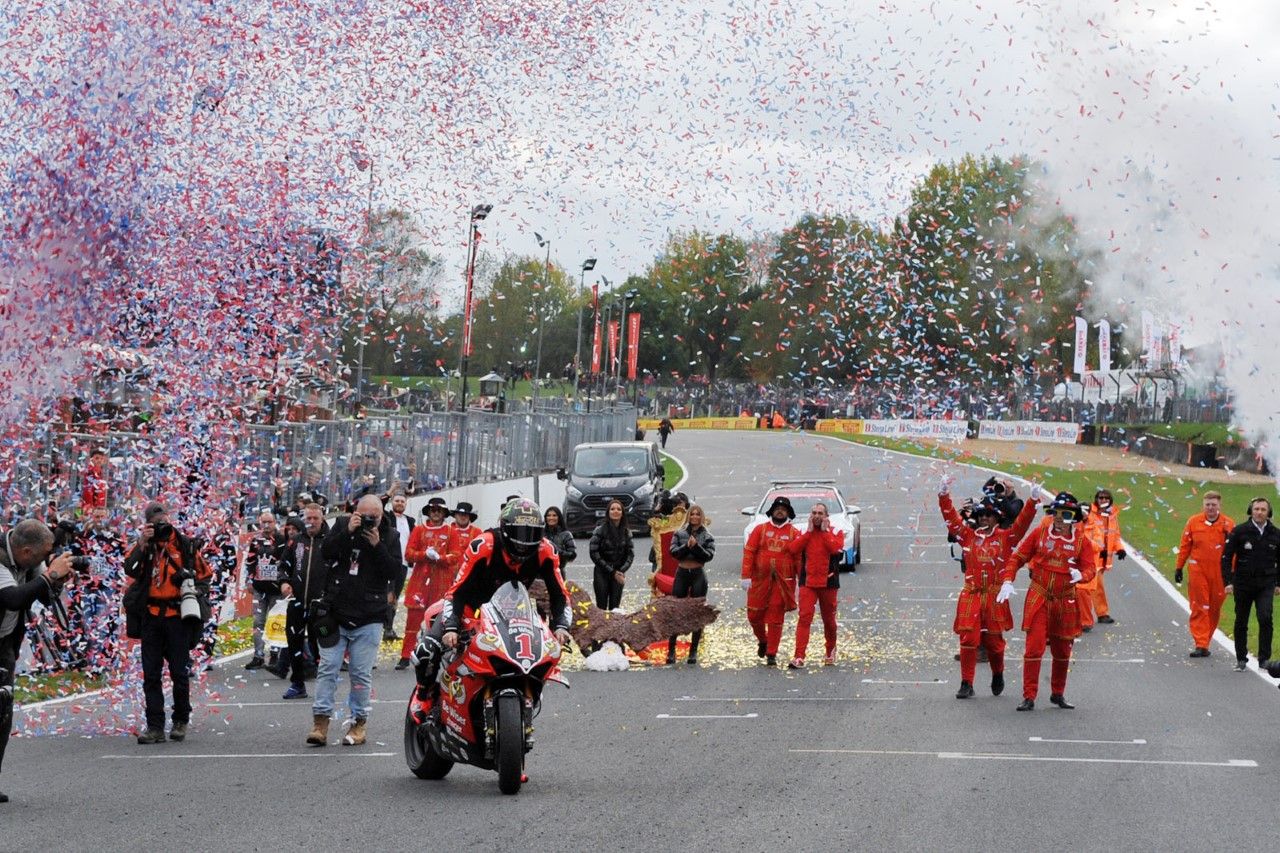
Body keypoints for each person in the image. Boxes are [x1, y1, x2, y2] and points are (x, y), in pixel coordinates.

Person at [414, 499, 572, 687]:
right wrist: (451, 627)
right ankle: (423, 698)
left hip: (512, 613)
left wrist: (561, 626)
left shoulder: (546, 550)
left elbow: (560, 594)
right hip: (469, 609)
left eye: (532, 533)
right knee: (427, 651)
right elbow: (457, 591)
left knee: (535, 658)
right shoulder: (484, 544)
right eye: (519, 532)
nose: (524, 541)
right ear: (505, 529)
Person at [307, 494, 401, 747]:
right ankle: (320, 722)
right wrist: (348, 532)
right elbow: (325, 553)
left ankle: (359, 723)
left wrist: (377, 546)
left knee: (360, 674)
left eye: (375, 516)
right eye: (364, 516)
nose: (369, 521)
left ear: (382, 515)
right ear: (354, 512)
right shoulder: (341, 526)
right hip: (336, 611)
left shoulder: (390, 535)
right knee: (327, 668)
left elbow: (394, 571)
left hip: (370, 615)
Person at [122, 501, 213, 744]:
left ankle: (181, 720)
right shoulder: (145, 545)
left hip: (177, 618)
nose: (159, 525)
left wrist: (191, 586)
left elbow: (206, 576)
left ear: (168, 518)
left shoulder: (184, 545)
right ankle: (154, 726)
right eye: (154, 521)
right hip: (151, 616)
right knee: (151, 675)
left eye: (162, 519)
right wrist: (142, 543)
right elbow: (129, 570)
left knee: (179, 673)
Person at [938, 480, 1039, 697]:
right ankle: (966, 683)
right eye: (981, 514)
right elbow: (951, 520)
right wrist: (943, 495)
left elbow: (1022, 524)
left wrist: (1032, 501)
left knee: (994, 642)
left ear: (997, 519)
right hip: (972, 593)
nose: (984, 517)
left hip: (994, 595)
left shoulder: (1006, 537)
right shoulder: (967, 535)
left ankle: (998, 673)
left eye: (989, 515)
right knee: (968, 639)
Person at [0, 519, 75, 804]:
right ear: (27, 550)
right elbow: (13, 598)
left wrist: (55, 579)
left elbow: (44, 597)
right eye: (43, 556)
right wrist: (46, 577)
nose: (46, 560)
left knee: (2, 713)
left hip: (4, 642)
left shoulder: (29, 559)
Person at [1000, 491, 1097, 711]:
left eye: (1066, 514)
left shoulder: (1082, 541)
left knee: (1063, 650)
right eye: (1056, 514)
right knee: (1034, 648)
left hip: (1065, 600)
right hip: (1040, 596)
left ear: (1074, 516)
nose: (1060, 519)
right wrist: (1007, 580)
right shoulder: (1040, 533)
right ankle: (1029, 695)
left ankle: (1058, 693)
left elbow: (1090, 567)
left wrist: (1082, 575)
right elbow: (1017, 557)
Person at [741, 496, 802, 666]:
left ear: (788, 512)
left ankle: (771, 653)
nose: (780, 511)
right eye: (777, 508)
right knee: (754, 615)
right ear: (772, 511)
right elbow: (749, 552)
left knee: (776, 618)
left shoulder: (794, 533)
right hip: (759, 581)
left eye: (784, 509)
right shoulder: (760, 530)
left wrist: (801, 581)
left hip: (782, 583)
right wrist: (745, 576)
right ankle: (763, 640)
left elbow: (799, 559)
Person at [1220, 497, 1280, 671]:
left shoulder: (1276, 534)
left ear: (1269, 512)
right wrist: (1228, 581)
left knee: (1265, 617)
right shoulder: (1239, 531)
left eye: (1263, 509)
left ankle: (1264, 659)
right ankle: (1241, 658)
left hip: (1266, 583)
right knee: (1241, 620)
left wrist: (1278, 583)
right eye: (1256, 509)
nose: (1259, 512)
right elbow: (1226, 557)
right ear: (1251, 511)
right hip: (1243, 583)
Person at [397, 497, 456, 670]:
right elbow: (408, 554)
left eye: (439, 510)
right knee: (413, 620)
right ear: (428, 512)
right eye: (433, 510)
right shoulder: (419, 529)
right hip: (420, 583)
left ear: (444, 513)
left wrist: (441, 558)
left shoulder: (451, 531)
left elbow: (456, 556)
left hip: (442, 581)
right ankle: (405, 655)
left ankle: (436, 654)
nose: (436, 513)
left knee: (439, 620)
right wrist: (424, 555)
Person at [786, 502, 846, 669]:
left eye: (820, 513)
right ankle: (799, 656)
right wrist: (809, 533)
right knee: (804, 618)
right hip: (808, 582)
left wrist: (825, 532)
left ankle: (830, 650)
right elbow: (793, 549)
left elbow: (835, 549)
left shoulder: (835, 531)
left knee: (829, 620)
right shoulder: (804, 532)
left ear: (826, 516)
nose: (817, 516)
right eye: (814, 513)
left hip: (829, 582)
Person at [1175, 491, 1233, 657]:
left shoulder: (1228, 524)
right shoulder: (1194, 522)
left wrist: (1233, 574)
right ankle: (1200, 643)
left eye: (1213, 505)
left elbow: (1234, 552)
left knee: (1214, 607)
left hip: (1220, 572)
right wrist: (1179, 567)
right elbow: (1185, 545)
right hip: (1198, 569)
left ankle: (1205, 640)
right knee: (1200, 606)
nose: (1210, 508)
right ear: (1203, 505)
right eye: (1207, 504)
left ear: (1219, 506)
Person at [279, 503, 328, 699]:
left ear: (322, 518)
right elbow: (283, 566)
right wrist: (283, 582)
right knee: (294, 643)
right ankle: (297, 683)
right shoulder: (295, 541)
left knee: (322, 645)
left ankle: (324, 686)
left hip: (322, 606)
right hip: (296, 603)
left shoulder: (331, 540)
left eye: (315, 518)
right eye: (308, 518)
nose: (312, 522)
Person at [665, 504, 715, 665]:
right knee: (676, 610)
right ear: (688, 516)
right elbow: (673, 553)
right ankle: (671, 650)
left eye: (697, 514)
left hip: (698, 574)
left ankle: (693, 651)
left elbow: (708, 556)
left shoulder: (707, 535)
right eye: (692, 514)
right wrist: (687, 546)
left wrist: (696, 547)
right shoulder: (679, 534)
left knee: (697, 612)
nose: (694, 517)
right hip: (682, 573)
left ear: (701, 517)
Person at [244, 510, 286, 670]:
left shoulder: (282, 540)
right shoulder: (256, 541)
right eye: (264, 522)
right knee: (258, 622)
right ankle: (258, 655)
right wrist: (249, 580)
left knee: (275, 622)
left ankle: (274, 654)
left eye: (270, 522)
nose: (267, 526)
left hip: (276, 589)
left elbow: (286, 562)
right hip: (259, 588)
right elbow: (250, 562)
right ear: (260, 523)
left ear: (275, 523)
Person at [1079, 489, 1125, 629]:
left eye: (1106, 498)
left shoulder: (1112, 516)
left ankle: (1094, 615)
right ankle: (1099, 614)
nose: (1103, 500)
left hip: (1104, 557)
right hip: (1093, 557)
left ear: (1110, 500)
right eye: (1100, 497)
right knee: (1094, 586)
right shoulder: (1090, 513)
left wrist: (1120, 549)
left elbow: (1115, 535)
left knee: (1093, 587)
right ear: (1096, 499)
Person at [588, 499, 634, 611]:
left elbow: (630, 554)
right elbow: (594, 553)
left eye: (618, 509)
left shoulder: (626, 532)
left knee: (615, 608)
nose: (615, 511)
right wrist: (611, 571)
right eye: (612, 509)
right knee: (601, 607)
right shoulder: (600, 530)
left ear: (622, 513)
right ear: (608, 512)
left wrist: (621, 571)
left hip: (618, 573)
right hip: (602, 573)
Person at [384, 493, 414, 642]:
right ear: (392, 502)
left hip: (403, 564)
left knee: (395, 596)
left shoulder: (410, 521)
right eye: (397, 501)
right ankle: (385, 627)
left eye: (402, 501)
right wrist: (389, 491)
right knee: (387, 596)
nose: (400, 503)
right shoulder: (387, 518)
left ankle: (389, 627)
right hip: (389, 562)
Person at [543, 506, 576, 578]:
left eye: (554, 515)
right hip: (540, 574)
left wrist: (557, 551)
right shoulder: (540, 533)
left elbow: (572, 555)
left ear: (559, 517)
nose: (551, 518)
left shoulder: (566, 534)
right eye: (548, 515)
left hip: (559, 572)